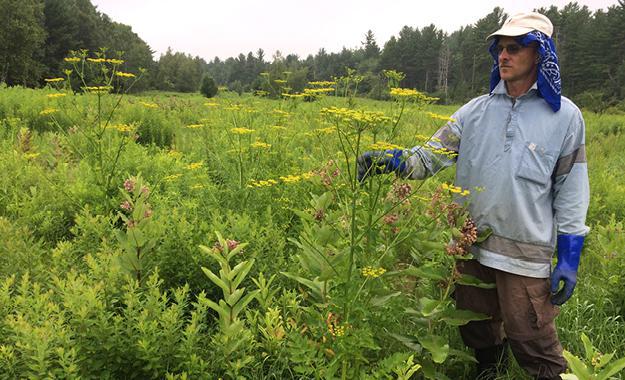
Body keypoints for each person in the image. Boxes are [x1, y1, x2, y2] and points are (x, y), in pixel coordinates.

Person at [357, 12, 589, 380]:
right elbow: (429, 157)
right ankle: (489, 372)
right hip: (471, 243)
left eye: (515, 48)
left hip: (525, 254)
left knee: (533, 336)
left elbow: (572, 188)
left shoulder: (565, 117)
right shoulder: (475, 111)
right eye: (500, 48)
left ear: (540, 53)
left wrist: (570, 254)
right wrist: (390, 160)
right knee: (477, 324)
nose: (504, 55)